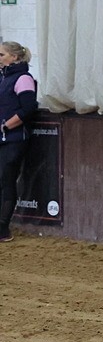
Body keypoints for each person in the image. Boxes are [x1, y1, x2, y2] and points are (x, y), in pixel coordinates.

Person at [0, 42, 37, 242]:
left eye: (1, 54)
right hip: (4, 137)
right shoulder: (3, 78)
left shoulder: (23, 79)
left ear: (14, 57)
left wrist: (6, 126)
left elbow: (28, 108)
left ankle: (3, 229)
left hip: (14, 138)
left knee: (6, 181)